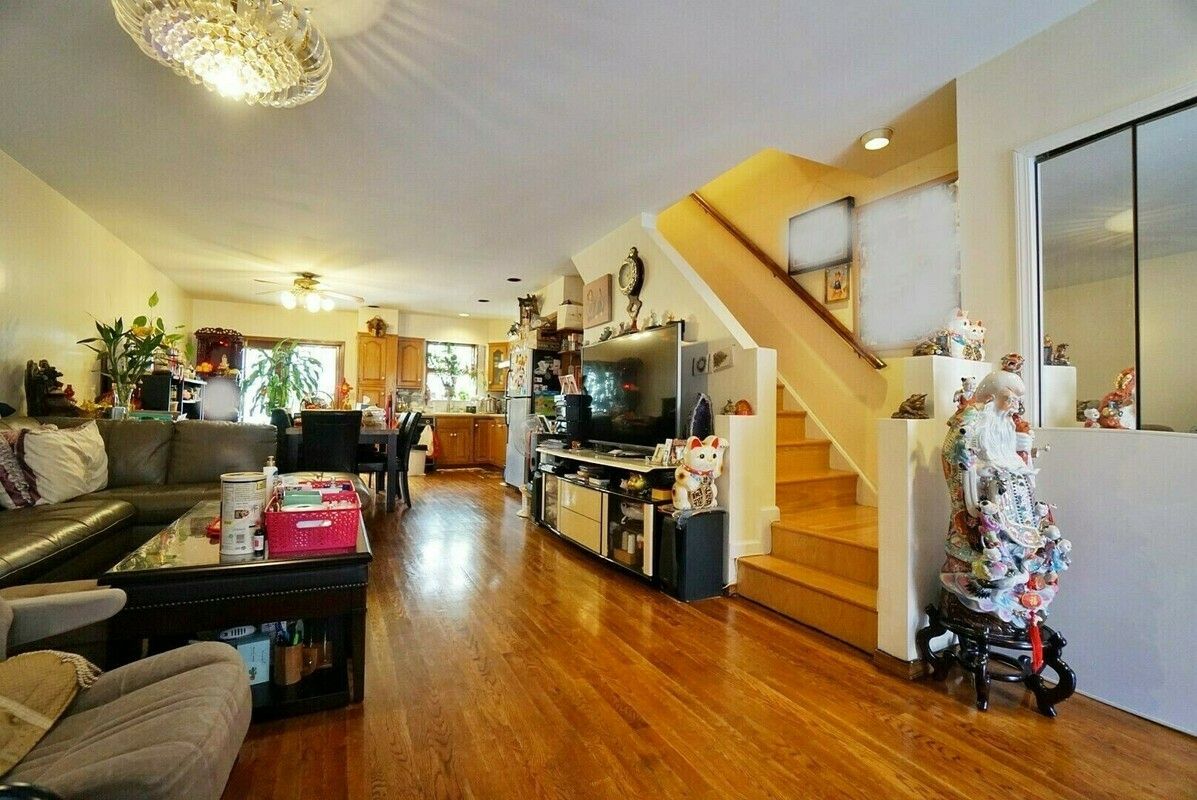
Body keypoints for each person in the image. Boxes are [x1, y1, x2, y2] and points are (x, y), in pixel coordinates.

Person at [937, 360, 1070, 635]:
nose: (1014, 405)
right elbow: (958, 460)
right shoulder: (973, 422)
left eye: (1018, 400)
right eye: (1009, 398)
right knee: (988, 549)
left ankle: (1021, 593)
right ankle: (984, 597)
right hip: (987, 501)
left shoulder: (1006, 425)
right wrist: (980, 470)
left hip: (1014, 501)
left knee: (1028, 547)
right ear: (990, 398)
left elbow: (1016, 460)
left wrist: (1022, 455)